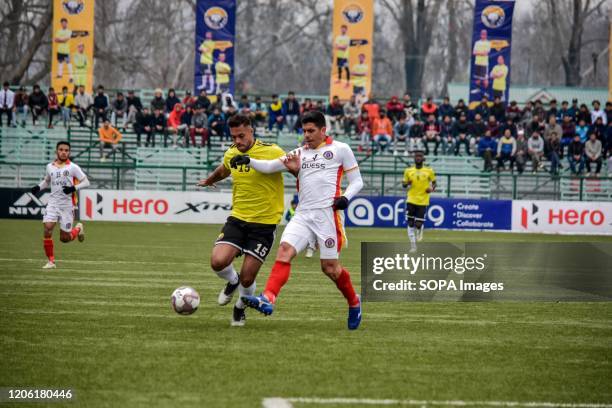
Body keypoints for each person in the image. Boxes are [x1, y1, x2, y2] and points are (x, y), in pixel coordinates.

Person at [238, 111, 364, 330]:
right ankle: (268, 298)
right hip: (303, 215)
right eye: (304, 131)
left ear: (323, 130)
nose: (306, 135)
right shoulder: (299, 153)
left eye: (311, 131)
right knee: (285, 250)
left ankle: (354, 302)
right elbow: (270, 167)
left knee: (330, 269)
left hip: (327, 216)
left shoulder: (340, 150)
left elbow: (357, 182)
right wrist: (249, 160)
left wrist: (346, 198)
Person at [196, 114, 288, 326]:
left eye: (241, 136)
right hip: (238, 218)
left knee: (249, 278)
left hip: (264, 224)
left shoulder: (272, 151)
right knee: (217, 262)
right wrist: (210, 180)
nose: (237, 141)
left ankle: (239, 307)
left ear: (251, 131)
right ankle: (232, 280)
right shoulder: (231, 152)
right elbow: (224, 169)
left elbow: (294, 167)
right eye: (234, 137)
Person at [30, 141, 89, 269]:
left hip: (67, 205)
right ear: (57, 151)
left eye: (66, 150)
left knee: (65, 238)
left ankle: (78, 228)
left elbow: (86, 182)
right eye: (61, 149)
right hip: (53, 203)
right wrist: (38, 187)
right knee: (48, 228)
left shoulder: (73, 167)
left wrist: (72, 188)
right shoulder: (49, 166)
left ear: (69, 152)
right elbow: (47, 181)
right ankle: (51, 261)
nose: (64, 152)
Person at [403, 150, 436, 251]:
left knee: (418, 224)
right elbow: (403, 185)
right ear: (414, 159)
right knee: (410, 222)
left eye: (420, 156)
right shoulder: (408, 171)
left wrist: (431, 189)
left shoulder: (429, 171)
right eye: (416, 156)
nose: (418, 158)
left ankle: (420, 229)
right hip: (411, 199)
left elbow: (434, 183)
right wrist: (407, 183)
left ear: (423, 159)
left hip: (423, 200)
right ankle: (413, 246)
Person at [54, 18, 74, 83]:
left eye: (65, 23)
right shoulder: (58, 31)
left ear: (67, 23)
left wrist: (60, 39)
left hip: (66, 51)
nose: (63, 24)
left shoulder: (69, 31)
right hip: (60, 50)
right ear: (61, 24)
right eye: (62, 23)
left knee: (68, 63)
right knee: (60, 62)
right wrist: (62, 40)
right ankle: (60, 75)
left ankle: (71, 77)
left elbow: (66, 40)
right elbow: (55, 40)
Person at [472, 29, 491, 96]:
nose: (483, 35)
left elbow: (486, 53)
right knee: (478, 78)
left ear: (486, 35)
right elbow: (474, 52)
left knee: (485, 80)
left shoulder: (488, 43)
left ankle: (486, 92)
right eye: (482, 34)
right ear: (480, 35)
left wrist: (479, 53)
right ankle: (477, 89)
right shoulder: (477, 43)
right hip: (477, 62)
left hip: (484, 63)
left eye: (484, 34)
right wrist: (481, 53)